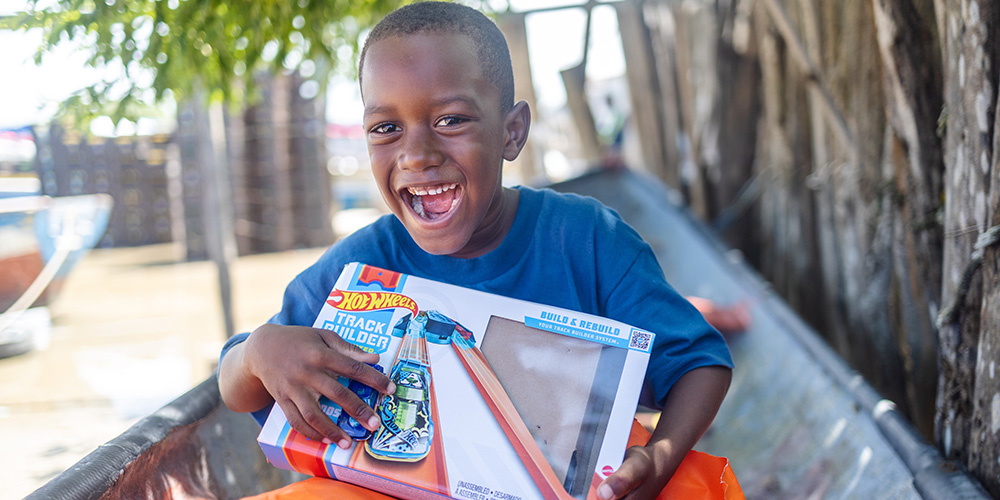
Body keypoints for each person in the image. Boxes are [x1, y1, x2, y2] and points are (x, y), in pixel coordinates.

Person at [218, 3, 734, 499]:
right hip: (401, 484)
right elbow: (237, 384)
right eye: (385, 128)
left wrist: (658, 462)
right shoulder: (360, 267)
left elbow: (699, 363)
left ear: (512, 132)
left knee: (691, 487)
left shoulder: (585, 238)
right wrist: (261, 350)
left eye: (451, 120)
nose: (417, 155)